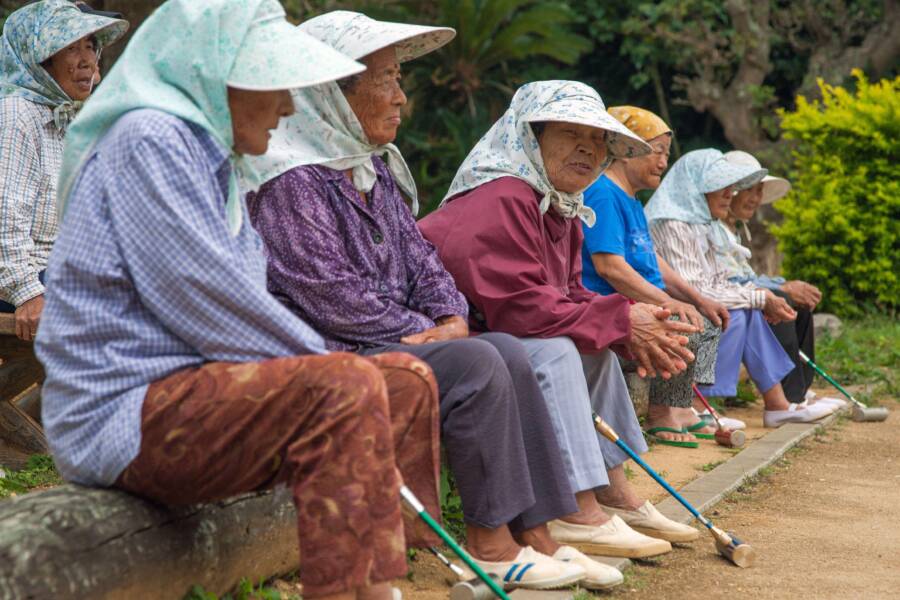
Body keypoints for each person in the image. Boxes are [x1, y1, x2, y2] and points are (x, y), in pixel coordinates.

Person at [35, 2, 441, 599]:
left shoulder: (216, 160)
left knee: (405, 378)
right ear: (215, 77)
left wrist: (343, 367)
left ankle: (379, 583)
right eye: (275, 86)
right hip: (121, 415)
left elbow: (233, 301)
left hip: (193, 394)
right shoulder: (150, 138)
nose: (288, 106)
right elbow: (204, 298)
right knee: (349, 383)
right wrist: (335, 366)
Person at [244, 11, 625, 590]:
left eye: (400, 79)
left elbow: (422, 259)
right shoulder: (291, 178)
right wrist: (431, 328)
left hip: (393, 337)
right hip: (324, 351)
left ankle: (538, 534)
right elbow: (329, 296)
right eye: (387, 80)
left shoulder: (370, 168)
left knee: (505, 350)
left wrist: (449, 315)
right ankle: (491, 543)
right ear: (333, 92)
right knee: (477, 360)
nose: (401, 96)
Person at [419, 81, 701, 552]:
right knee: (554, 353)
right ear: (532, 137)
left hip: (500, 330)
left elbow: (568, 294)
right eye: (571, 133)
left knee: (597, 356)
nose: (587, 151)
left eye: (598, 142)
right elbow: (517, 307)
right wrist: (622, 320)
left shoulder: (559, 206)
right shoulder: (502, 196)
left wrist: (629, 319)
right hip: (456, 336)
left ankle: (613, 492)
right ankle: (572, 506)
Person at [645, 149, 835, 428]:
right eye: (721, 186)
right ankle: (700, 406)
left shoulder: (700, 224)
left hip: (693, 302)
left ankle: (778, 404)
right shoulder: (674, 223)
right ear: (696, 185)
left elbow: (717, 281)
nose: (729, 193)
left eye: (730, 186)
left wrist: (760, 297)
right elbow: (697, 289)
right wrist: (760, 297)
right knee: (738, 313)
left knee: (748, 311)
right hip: (667, 306)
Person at [580, 106, 734, 446]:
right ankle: (662, 413)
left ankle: (682, 407)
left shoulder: (632, 200)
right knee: (682, 323)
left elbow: (655, 261)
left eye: (666, 152)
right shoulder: (603, 193)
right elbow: (609, 267)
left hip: (642, 298)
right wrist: (668, 301)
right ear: (625, 150)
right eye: (657, 151)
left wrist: (697, 298)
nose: (663, 161)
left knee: (707, 318)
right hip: (610, 303)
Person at [0, 0, 127, 341]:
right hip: (22, 284)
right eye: (71, 47)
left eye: (90, 46)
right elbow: (4, 214)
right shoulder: (16, 114)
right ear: (40, 61)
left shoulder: (66, 118)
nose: (88, 60)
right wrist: (27, 292)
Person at [716, 150, 844, 409]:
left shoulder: (735, 229)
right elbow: (729, 281)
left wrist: (781, 284)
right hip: (723, 300)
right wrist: (781, 288)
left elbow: (747, 277)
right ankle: (789, 396)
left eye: (759, 190)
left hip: (737, 294)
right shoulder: (714, 228)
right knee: (781, 299)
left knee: (798, 304)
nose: (755, 198)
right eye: (749, 189)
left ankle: (799, 389)